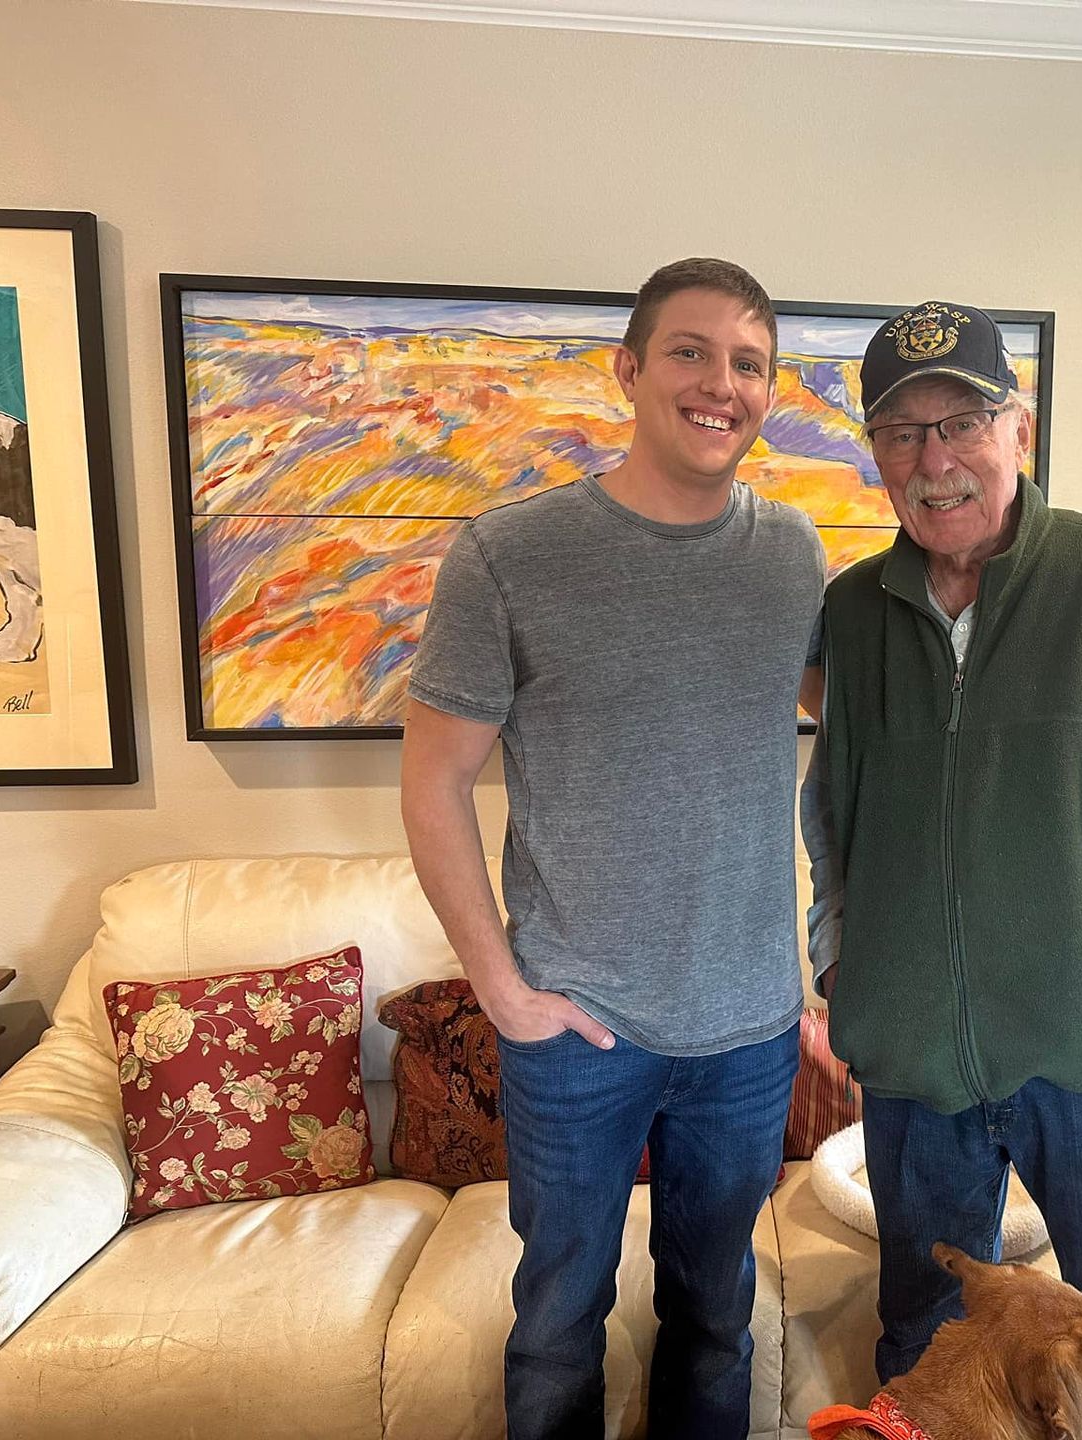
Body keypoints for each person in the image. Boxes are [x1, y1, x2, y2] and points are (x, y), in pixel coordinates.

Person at [800, 301, 1082, 1440]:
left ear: (1020, 430)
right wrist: (844, 967)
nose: (934, 459)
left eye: (962, 421)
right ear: (876, 453)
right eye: (901, 433)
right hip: (918, 1072)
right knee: (921, 1354)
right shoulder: (854, 613)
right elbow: (833, 821)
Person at [401, 257, 825, 1440]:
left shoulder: (792, 556)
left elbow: (864, 739)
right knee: (557, 1323)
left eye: (748, 363)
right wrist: (504, 990)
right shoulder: (510, 555)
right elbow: (433, 783)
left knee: (714, 1318)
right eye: (690, 352)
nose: (720, 384)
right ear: (630, 371)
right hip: (577, 1030)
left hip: (747, 1028)